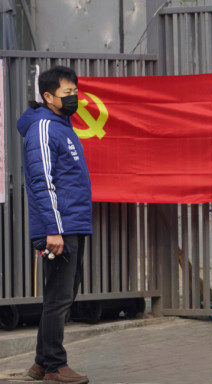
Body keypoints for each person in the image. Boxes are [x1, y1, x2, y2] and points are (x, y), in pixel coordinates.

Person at [17, 66, 92, 384]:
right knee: (59, 298)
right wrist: (52, 230)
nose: (74, 97)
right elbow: (41, 182)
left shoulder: (62, 125)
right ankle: (54, 367)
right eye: (67, 93)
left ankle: (40, 363)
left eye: (75, 91)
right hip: (59, 228)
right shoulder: (45, 127)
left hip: (72, 224)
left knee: (60, 297)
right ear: (47, 96)